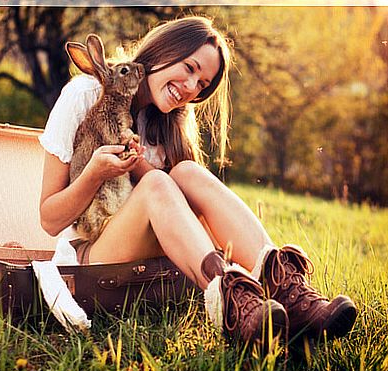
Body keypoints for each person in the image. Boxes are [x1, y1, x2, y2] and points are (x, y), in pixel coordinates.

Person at [38, 16, 357, 346]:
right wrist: (95, 173)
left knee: (186, 172)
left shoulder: (169, 122)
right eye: (189, 68)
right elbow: (50, 219)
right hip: (94, 257)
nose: (191, 88)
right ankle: (234, 304)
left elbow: (183, 212)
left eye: (202, 84)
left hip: (155, 263)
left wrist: (140, 167)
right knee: (160, 183)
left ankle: (288, 292)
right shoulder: (87, 95)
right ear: (163, 50)